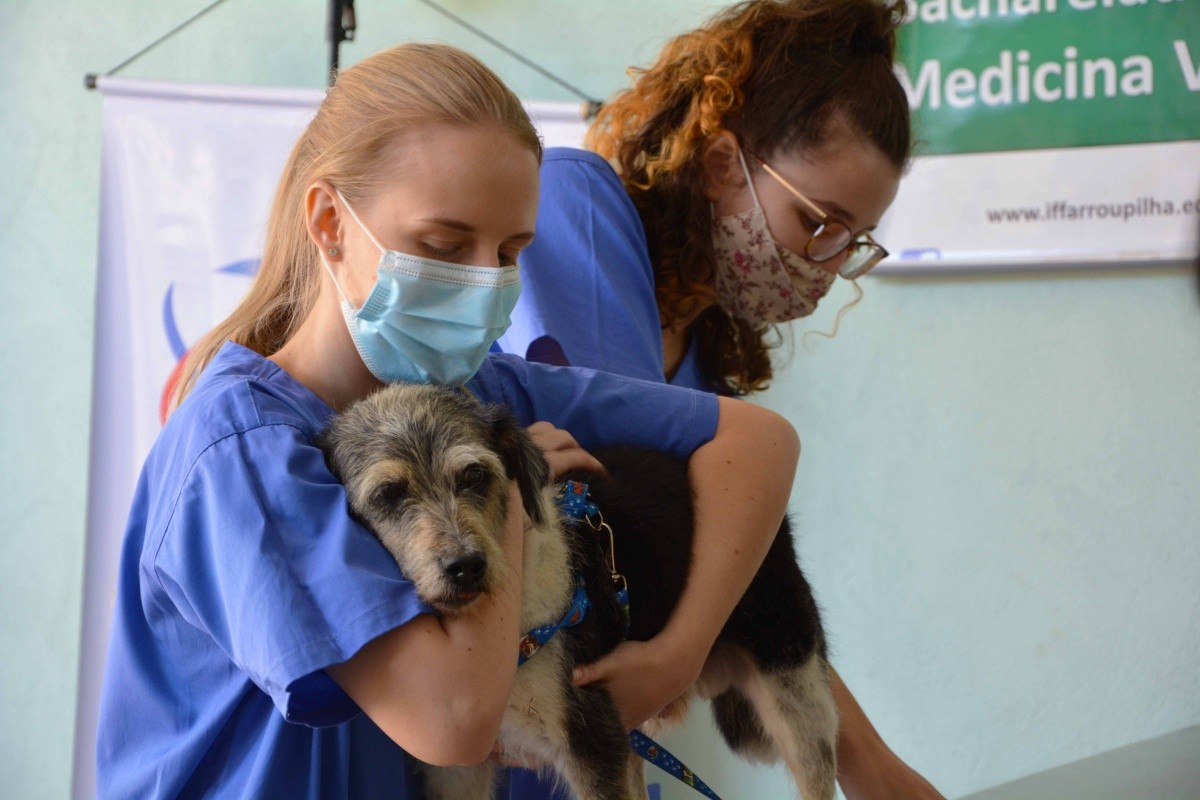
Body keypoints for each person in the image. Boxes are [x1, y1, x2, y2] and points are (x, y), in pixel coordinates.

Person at [94, 42, 801, 799]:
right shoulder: (240, 454)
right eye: (444, 244)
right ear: (331, 223)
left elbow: (758, 443)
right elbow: (454, 719)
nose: (484, 281)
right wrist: (512, 493)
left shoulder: (479, 389)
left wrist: (676, 656)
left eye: (510, 252)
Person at [495, 1, 945, 798]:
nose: (831, 263)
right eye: (820, 224)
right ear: (723, 164)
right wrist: (870, 768)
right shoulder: (579, 203)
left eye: (856, 241)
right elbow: (631, 513)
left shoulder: (702, 359)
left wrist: (871, 769)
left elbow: (741, 579)